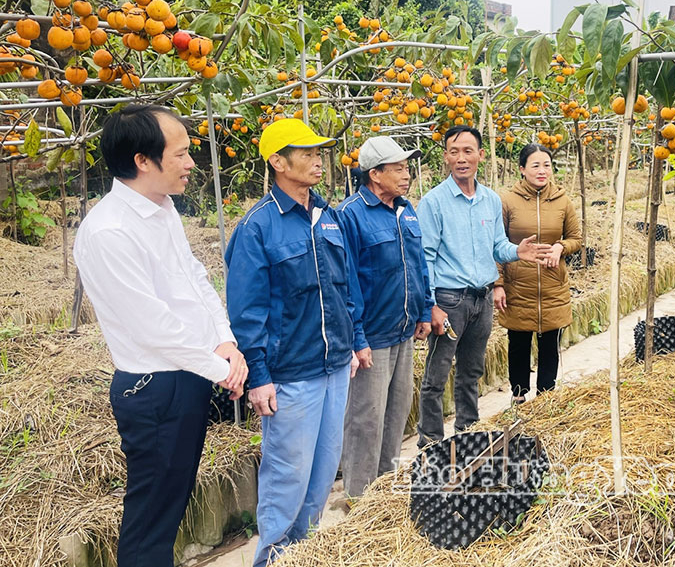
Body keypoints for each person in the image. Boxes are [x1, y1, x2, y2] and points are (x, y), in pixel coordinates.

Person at [73, 104, 248, 567]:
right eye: (182, 153)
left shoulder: (162, 209)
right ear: (142, 161)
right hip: (155, 389)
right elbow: (151, 326)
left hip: (187, 375)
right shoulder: (109, 231)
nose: (191, 163)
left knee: (170, 504)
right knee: (150, 521)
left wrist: (225, 342)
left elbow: (194, 279)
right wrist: (220, 369)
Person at [224, 118, 371, 567]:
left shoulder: (328, 216)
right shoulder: (258, 227)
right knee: (287, 478)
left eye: (318, 152)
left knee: (323, 475)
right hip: (290, 375)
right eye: (306, 153)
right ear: (277, 162)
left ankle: (303, 555)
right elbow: (246, 312)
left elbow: (346, 287)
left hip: (334, 367)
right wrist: (259, 376)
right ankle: (272, 558)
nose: (317, 160)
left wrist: (354, 341)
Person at [415, 125, 551, 448]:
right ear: (446, 157)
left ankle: (467, 435)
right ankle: (430, 444)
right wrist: (431, 304)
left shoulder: (490, 200)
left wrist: (517, 251)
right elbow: (425, 258)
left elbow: (497, 246)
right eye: (454, 152)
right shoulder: (434, 203)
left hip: (482, 298)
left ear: (481, 154)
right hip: (449, 301)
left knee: (471, 372)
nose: (461, 158)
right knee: (437, 375)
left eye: (468, 151)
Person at [337, 136, 432, 498]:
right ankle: (358, 498)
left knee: (396, 413)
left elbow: (418, 264)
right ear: (374, 174)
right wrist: (357, 337)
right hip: (372, 337)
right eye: (398, 169)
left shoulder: (405, 209)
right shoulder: (351, 215)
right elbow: (346, 281)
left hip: (403, 330)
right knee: (366, 419)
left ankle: (384, 489)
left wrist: (424, 309)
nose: (406, 175)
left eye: (406, 168)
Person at [496, 143, 582, 404]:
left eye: (547, 165)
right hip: (518, 285)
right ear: (522, 169)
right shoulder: (507, 201)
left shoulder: (563, 200)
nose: (542, 170)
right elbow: (496, 244)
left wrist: (560, 247)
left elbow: (576, 238)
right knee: (518, 343)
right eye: (535, 165)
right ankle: (518, 396)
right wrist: (498, 283)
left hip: (553, 284)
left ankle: (546, 399)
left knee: (550, 345)